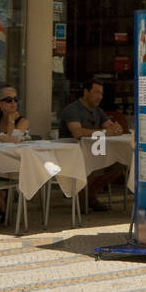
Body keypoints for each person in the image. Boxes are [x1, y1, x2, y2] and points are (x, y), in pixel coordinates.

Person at [59, 79, 125, 210]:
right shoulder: (72, 109)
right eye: (96, 92)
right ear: (86, 92)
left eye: (101, 93)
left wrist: (116, 129)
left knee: (118, 164)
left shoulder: (98, 111)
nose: (99, 97)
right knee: (96, 167)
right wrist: (105, 132)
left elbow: (111, 127)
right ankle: (86, 198)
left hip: (93, 152)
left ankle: (89, 195)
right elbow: (77, 132)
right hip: (73, 154)